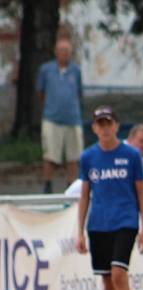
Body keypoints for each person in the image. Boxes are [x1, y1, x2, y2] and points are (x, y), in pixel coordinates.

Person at [77, 106, 143, 290]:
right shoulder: (88, 157)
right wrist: (80, 232)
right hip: (98, 225)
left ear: (117, 126)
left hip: (125, 222)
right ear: (94, 128)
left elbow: (142, 192)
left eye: (109, 123)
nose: (105, 127)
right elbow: (85, 195)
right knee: (107, 280)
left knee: (120, 274)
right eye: (100, 123)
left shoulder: (131, 155)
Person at [37, 38, 83, 194]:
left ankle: (71, 186)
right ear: (56, 52)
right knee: (50, 154)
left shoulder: (76, 70)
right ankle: (47, 184)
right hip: (52, 118)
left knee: (73, 155)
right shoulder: (46, 70)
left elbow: (79, 93)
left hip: (72, 118)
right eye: (62, 50)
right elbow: (41, 93)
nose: (65, 54)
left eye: (68, 51)